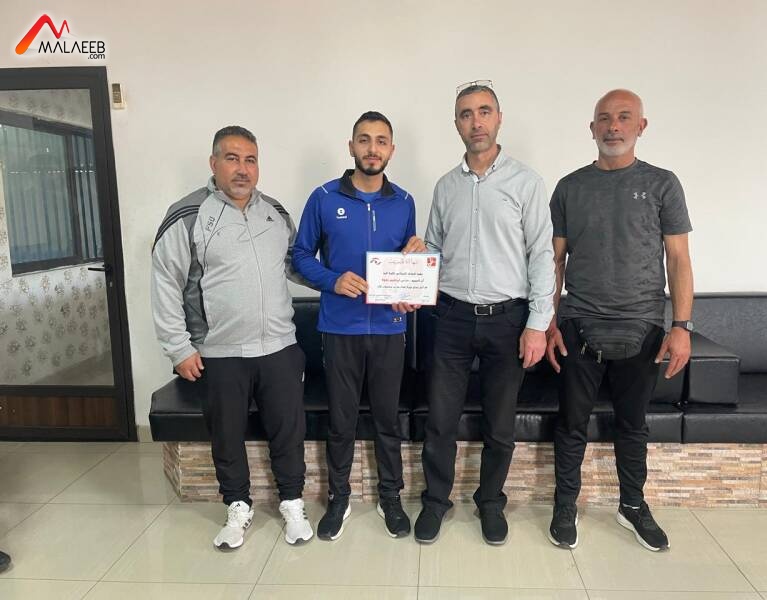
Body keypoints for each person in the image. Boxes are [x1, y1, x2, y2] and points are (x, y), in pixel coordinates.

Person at [151, 125, 313, 550]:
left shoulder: (275, 213)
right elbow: (165, 282)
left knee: (288, 430)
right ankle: (237, 506)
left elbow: (299, 267)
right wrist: (178, 347)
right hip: (219, 352)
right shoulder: (188, 215)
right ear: (214, 163)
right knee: (226, 435)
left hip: (280, 346)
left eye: (250, 160)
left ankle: (292, 503)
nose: (243, 169)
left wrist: (353, 278)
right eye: (232, 158)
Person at [546, 89, 694, 552]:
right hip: (578, 325)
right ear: (592, 128)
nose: (613, 126)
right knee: (571, 424)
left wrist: (681, 327)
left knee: (633, 425)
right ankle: (564, 505)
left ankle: (632, 505)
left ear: (641, 126)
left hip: (643, 326)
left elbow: (678, 258)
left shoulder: (663, 183)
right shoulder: (569, 187)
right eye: (604, 119)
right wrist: (548, 322)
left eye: (624, 117)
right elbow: (554, 262)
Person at [416, 81, 556, 545]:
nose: (475, 121)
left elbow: (542, 255)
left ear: (498, 119)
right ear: (456, 124)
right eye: (465, 114)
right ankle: (435, 501)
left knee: (499, 425)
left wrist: (537, 324)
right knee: (440, 420)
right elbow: (434, 249)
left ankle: (491, 502)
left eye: (483, 111)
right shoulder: (445, 186)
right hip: (451, 318)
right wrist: (413, 267)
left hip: (508, 320)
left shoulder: (526, 183)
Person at [293, 111, 425, 540]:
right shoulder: (323, 198)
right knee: (342, 420)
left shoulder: (404, 202)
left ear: (391, 150)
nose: (372, 148)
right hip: (340, 329)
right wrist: (332, 280)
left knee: (387, 419)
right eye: (364, 140)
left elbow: (408, 263)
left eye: (381, 141)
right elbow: (300, 256)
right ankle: (339, 497)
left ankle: (391, 496)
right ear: (351, 147)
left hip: (389, 329)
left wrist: (412, 277)